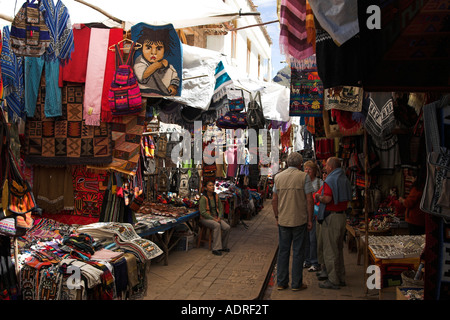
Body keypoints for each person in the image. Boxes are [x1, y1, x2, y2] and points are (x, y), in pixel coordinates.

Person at [272, 152, 314, 291]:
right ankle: (296, 284)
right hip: (299, 220)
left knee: (283, 251)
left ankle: (281, 282)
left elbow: (274, 199)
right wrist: (310, 219)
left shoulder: (278, 177)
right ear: (300, 164)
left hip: (283, 220)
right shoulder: (304, 177)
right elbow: (309, 199)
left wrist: (277, 217)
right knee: (298, 252)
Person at [314, 157, 352, 290]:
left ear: (330, 167)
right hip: (342, 216)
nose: (325, 167)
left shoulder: (330, 179)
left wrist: (318, 197)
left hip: (332, 217)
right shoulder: (344, 178)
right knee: (338, 249)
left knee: (330, 250)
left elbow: (327, 198)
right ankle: (340, 277)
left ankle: (333, 280)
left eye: (326, 165)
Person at [133, 27, 180, 96]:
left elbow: (175, 78)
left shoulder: (168, 67)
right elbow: (143, 76)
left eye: (158, 48)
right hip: (144, 94)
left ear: (164, 50)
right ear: (142, 47)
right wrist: (157, 65)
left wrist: (173, 86)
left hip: (162, 95)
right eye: (148, 48)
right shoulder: (140, 62)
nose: (153, 52)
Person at [198, 180, 231, 256]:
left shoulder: (216, 196)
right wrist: (214, 219)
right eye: (210, 185)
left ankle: (223, 246)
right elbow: (203, 212)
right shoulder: (203, 198)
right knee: (217, 225)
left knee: (227, 227)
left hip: (216, 217)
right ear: (206, 188)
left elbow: (220, 207)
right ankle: (216, 248)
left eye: (213, 185)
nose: (212, 187)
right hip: (205, 219)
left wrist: (219, 217)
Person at [303, 160, 323, 272]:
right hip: (304, 213)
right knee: (305, 239)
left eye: (309, 169)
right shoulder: (302, 182)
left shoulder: (320, 182)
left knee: (313, 239)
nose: (307, 171)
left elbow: (324, 196)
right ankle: (307, 260)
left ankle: (315, 262)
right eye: (306, 169)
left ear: (314, 171)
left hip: (315, 214)